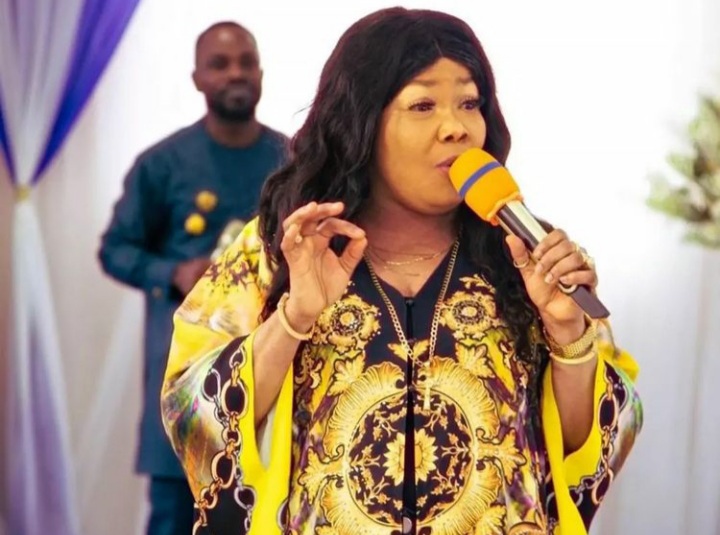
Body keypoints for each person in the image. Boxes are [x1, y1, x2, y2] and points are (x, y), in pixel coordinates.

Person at [161, 8, 643, 535]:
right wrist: (293, 317)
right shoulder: (281, 248)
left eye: (469, 103)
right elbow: (193, 415)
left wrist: (568, 335)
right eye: (423, 105)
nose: (456, 128)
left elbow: (583, 454)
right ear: (363, 123)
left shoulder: (532, 254)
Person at [98, 21, 288, 535]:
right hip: (184, 380)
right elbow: (115, 249)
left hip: (273, 381)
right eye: (220, 64)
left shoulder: (293, 161)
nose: (236, 74)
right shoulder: (162, 164)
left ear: (262, 72)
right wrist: (173, 271)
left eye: (246, 62)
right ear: (197, 79)